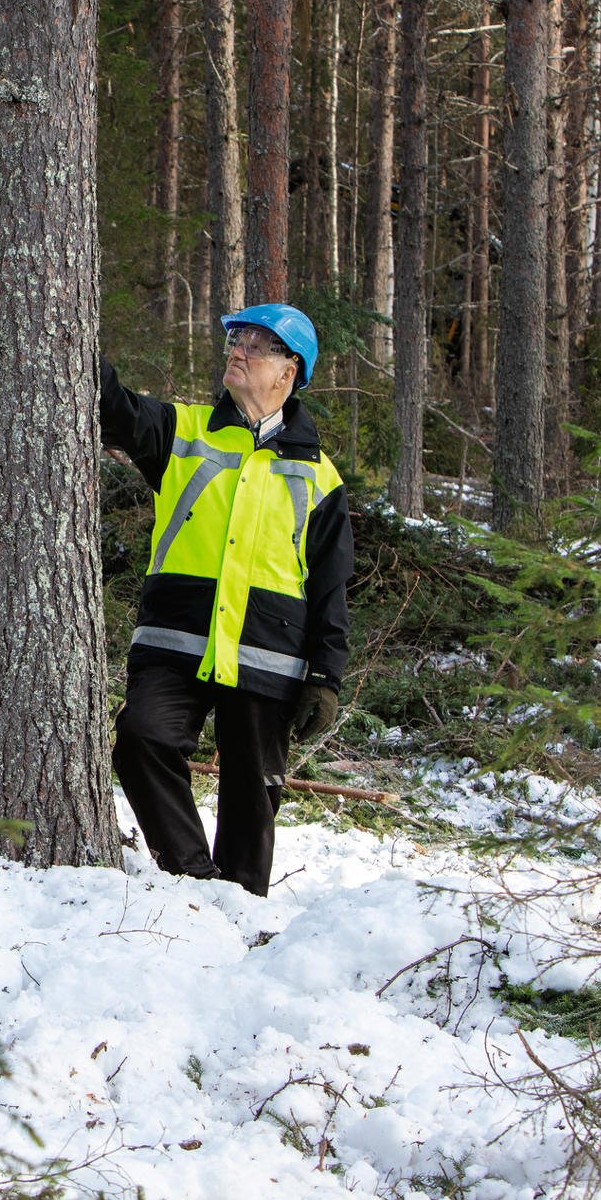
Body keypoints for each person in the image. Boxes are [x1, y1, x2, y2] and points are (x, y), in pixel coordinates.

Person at [99, 303, 353, 896]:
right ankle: (193, 881)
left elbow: (329, 586)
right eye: (236, 339)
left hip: (269, 653)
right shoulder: (181, 430)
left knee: (253, 791)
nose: (237, 351)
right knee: (142, 740)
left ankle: (242, 908)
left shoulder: (321, 476)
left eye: (257, 345)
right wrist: (72, 330)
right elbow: (114, 409)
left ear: (289, 372)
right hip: (175, 640)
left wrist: (326, 675)